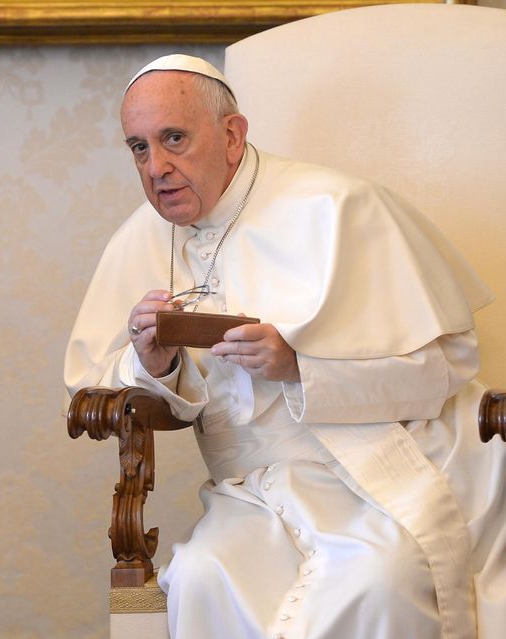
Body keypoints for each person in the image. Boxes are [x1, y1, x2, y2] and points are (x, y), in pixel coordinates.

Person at [64, 54, 506, 639]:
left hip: (372, 465)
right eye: (139, 147)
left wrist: (299, 366)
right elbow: (100, 389)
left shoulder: (338, 206)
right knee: (199, 575)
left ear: (231, 134)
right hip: (250, 489)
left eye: (173, 138)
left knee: (377, 579)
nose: (157, 167)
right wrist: (152, 363)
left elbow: (445, 367)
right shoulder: (138, 238)